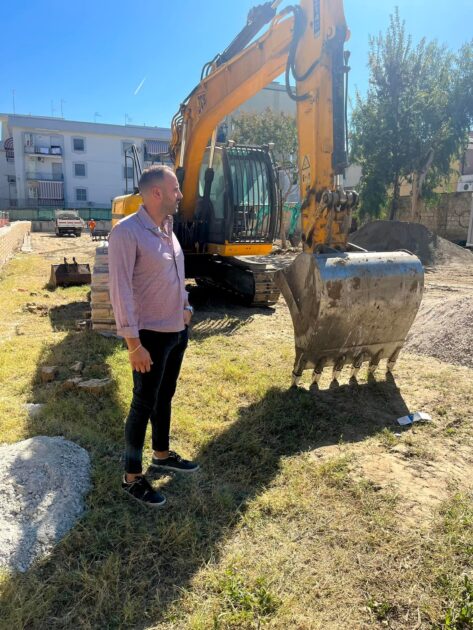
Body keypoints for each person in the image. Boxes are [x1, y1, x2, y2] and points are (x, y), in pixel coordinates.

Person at [108, 165, 199, 508]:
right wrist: (134, 345)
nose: (180, 195)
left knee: (165, 396)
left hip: (176, 331)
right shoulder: (126, 233)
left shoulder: (168, 229)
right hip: (149, 336)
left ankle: (161, 454)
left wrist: (186, 306)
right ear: (157, 192)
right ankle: (131, 477)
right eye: (175, 189)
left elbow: (176, 274)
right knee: (143, 403)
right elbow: (120, 291)